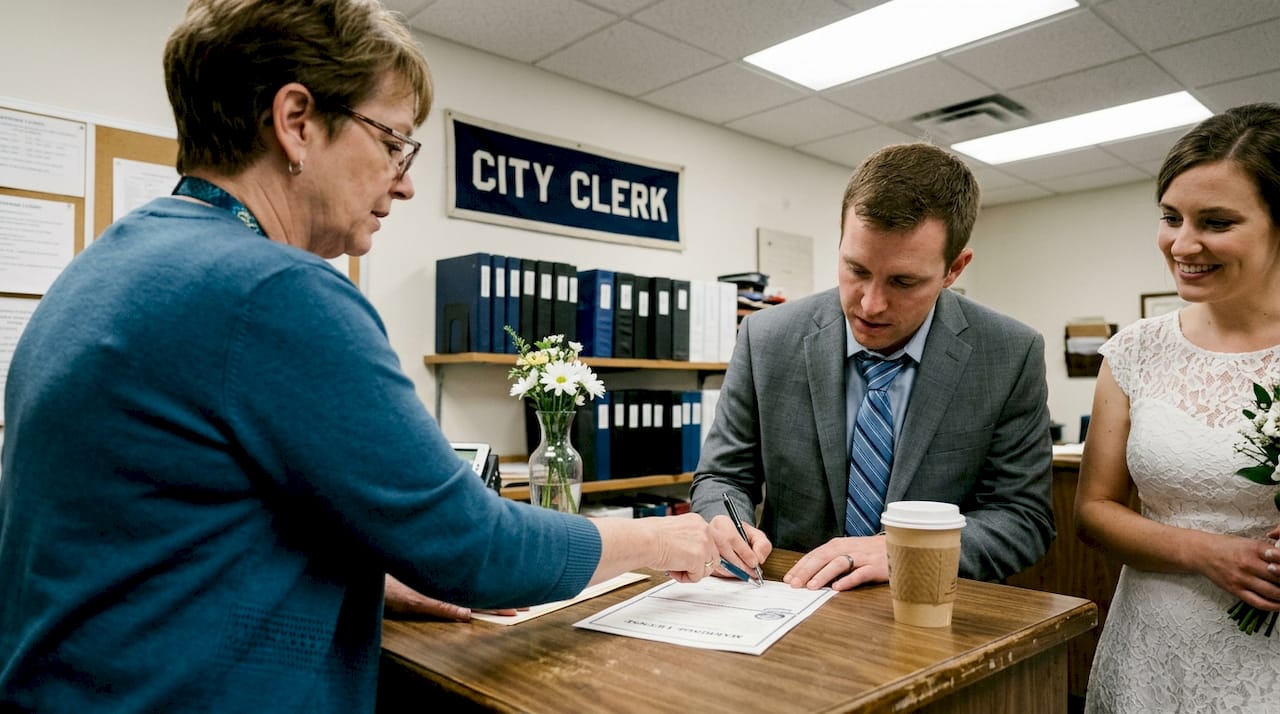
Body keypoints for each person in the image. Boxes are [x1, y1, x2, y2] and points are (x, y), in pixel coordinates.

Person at [0, 1, 716, 710]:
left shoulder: (99, 271)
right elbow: (476, 546)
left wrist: (373, 578)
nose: (404, 181)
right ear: (296, 121)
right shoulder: (275, 290)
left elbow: (167, 535)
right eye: (393, 142)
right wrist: (659, 539)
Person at [691, 142, 1054, 590]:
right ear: (841, 238)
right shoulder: (766, 338)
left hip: (927, 607)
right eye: (856, 269)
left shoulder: (1009, 354)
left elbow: (1024, 518)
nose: (871, 304)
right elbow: (723, 476)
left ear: (954, 269)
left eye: (903, 281)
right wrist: (724, 523)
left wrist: (909, 551)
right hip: (787, 600)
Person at [1076, 103, 1280, 712]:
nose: (1182, 244)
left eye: (1216, 222)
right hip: (1151, 646)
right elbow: (1093, 511)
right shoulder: (1135, 350)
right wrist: (1210, 553)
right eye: (1171, 217)